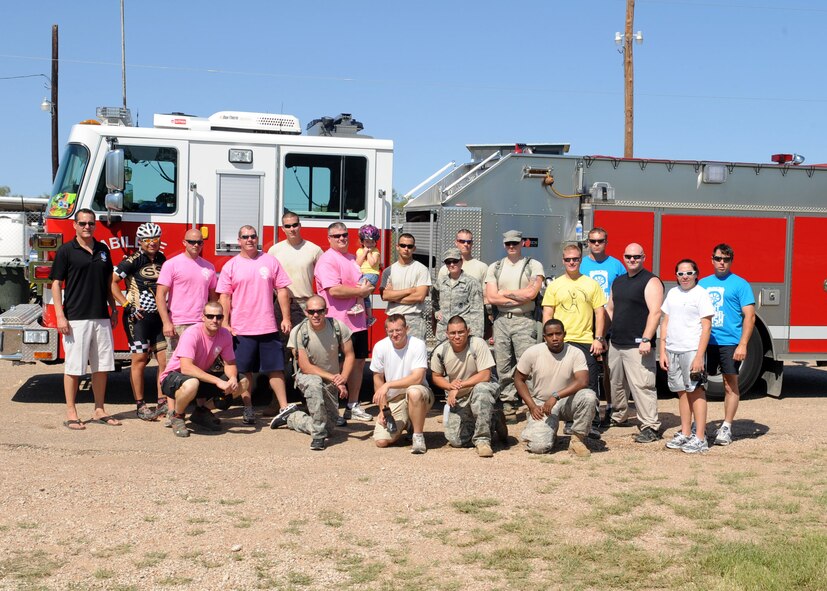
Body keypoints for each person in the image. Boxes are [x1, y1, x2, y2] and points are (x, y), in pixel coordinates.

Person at [217, 225, 296, 426]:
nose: (249, 240)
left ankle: (284, 407)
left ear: (257, 238)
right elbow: (225, 297)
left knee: (276, 369)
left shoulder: (270, 261)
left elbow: (283, 291)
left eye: (253, 236)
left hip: (268, 326)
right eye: (245, 237)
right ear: (239, 240)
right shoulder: (231, 266)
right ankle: (248, 408)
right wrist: (225, 323)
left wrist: (286, 318)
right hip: (242, 328)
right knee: (245, 372)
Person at [49, 208, 120, 430]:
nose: (86, 227)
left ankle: (99, 409)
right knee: (74, 367)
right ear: (75, 225)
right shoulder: (66, 251)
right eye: (82, 223)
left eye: (90, 223)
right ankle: (72, 412)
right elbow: (56, 283)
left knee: (101, 367)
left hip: (101, 317)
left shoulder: (103, 250)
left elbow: (109, 281)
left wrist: (114, 308)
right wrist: (60, 316)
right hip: (76, 318)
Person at [156, 228, 220, 429]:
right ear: (184, 242)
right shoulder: (171, 264)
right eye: (192, 242)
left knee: (202, 366)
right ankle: (172, 412)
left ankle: (200, 410)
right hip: (178, 324)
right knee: (174, 368)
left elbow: (213, 298)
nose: (195, 245)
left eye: (199, 242)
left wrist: (212, 322)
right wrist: (167, 322)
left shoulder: (208, 268)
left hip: (201, 324)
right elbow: (160, 295)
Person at [159, 302, 249, 438]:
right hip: (174, 377)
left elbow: (230, 363)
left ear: (223, 318)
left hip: (197, 377)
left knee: (243, 382)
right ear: (203, 317)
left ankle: (202, 412)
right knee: (192, 383)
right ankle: (177, 416)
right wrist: (218, 381)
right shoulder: (192, 333)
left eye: (218, 317)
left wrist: (232, 379)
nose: (215, 320)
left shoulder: (225, 334)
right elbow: (186, 367)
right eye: (210, 316)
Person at [314, 222, 374, 423]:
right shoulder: (327, 261)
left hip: (358, 322)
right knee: (336, 368)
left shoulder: (352, 259)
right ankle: (333, 410)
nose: (341, 238)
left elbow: (362, 280)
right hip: (336, 323)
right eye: (337, 236)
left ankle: (352, 405)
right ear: (329, 238)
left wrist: (364, 286)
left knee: (358, 364)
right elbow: (334, 290)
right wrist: (361, 291)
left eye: (344, 235)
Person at [699, 243, 756, 446]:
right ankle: (700, 427)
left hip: (730, 342)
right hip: (706, 342)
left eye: (726, 259)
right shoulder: (702, 284)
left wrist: (743, 344)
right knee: (699, 386)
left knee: (729, 385)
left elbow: (749, 316)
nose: (721, 262)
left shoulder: (740, 284)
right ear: (711, 260)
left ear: (731, 261)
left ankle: (726, 427)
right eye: (718, 258)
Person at [606, 243, 664, 443]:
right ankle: (619, 416)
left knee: (642, 385)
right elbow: (610, 309)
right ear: (623, 257)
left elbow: (655, 312)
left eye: (636, 257)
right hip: (616, 342)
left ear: (644, 257)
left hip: (638, 344)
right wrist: (604, 335)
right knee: (617, 384)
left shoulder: (651, 281)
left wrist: (647, 338)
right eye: (629, 256)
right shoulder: (618, 281)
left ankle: (650, 426)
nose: (632, 260)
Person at [514, 319, 597, 457]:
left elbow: (583, 381)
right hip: (541, 403)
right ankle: (547, 432)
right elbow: (518, 379)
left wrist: (556, 396)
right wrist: (532, 406)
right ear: (544, 337)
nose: (555, 338)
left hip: (567, 402)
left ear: (564, 334)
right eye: (550, 335)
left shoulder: (575, 353)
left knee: (589, 396)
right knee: (539, 447)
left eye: (558, 334)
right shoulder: (533, 352)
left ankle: (577, 440)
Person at [281, 295, 355, 450]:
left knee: (329, 427)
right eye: (311, 311)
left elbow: (349, 355)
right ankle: (318, 438)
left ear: (326, 311)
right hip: (307, 376)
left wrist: (343, 379)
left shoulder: (338, 327)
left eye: (319, 311)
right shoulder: (298, 332)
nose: (315, 315)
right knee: (315, 384)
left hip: (331, 379)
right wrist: (335, 379)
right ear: (306, 312)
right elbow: (306, 367)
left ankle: (292, 417)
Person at [484, 230, 544, 418]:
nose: (512, 247)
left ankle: (532, 404)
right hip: (501, 321)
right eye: (508, 243)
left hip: (525, 321)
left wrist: (506, 293)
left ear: (522, 243)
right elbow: (491, 296)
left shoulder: (533, 266)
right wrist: (518, 296)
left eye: (515, 243)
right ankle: (508, 402)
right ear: (504, 245)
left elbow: (531, 294)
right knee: (503, 364)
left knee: (528, 363)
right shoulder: (495, 267)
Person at [111, 222, 168, 421]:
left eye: (155, 239)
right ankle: (140, 405)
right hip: (139, 318)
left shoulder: (162, 258)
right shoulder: (132, 260)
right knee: (140, 360)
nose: (152, 243)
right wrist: (127, 305)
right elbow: (112, 283)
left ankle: (162, 403)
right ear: (140, 242)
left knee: (164, 361)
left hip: (159, 317)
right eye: (147, 240)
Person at [660, 259, 715, 454]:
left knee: (696, 391)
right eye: (681, 274)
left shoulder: (701, 294)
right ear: (676, 276)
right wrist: (662, 350)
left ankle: (700, 437)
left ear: (696, 274)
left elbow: (706, 327)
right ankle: (685, 432)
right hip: (673, 349)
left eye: (689, 273)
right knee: (681, 392)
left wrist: (699, 356)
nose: (685, 277)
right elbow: (665, 321)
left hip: (692, 350)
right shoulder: (672, 293)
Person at [430, 316, 504, 457]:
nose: (457, 336)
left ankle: (483, 440)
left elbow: (485, 375)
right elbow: (436, 376)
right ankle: (494, 419)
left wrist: (457, 387)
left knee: (481, 391)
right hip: (460, 395)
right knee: (456, 440)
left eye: (461, 332)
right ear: (447, 334)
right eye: (453, 333)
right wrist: (450, 387)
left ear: (468, 331)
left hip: (483, 386)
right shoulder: (441, 351)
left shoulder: (477, 344)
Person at [580, 227, 626, 422]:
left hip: (611, 325)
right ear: (588, 243)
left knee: (610, 369)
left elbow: (624, 293)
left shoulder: (617, 266)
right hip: (585, 323)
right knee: (586, 368)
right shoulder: (580, 265)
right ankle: (589, 408)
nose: (596, 244)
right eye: (592, 241)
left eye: (600, 241)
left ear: (606, 243)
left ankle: (611, 407)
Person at [370, 314, 434, 453]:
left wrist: (388, 385)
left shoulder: (417, 344)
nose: (395, 334)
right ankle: (407, 422)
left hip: (419, 393)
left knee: (414, 392)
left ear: (407, 329)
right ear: (386, 331)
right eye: (391, 331)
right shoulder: (380, 347)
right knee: (381, 441)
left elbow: (417, 378)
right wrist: (384, 410)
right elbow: (378, 378)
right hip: (395, 398)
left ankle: (417, 437)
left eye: (398, 330)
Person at [267, 211, 323, 329]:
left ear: (300, 225)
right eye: (287, 226)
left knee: (305, 344)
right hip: (281, 304)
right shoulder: (274, 251)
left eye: (295, 225)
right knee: (283, 344)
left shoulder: (314, 250)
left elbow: (323, 278)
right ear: (283, 228)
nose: (292, 229)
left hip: (305, 304)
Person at [380, 233, 431, 341]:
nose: (406, 249)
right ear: (397, 247)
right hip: (393, 320)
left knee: (415, 355)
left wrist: (393, 297)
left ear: (414, 248)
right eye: (403, 245)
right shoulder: (388, 271)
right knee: (394, 355)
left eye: (410, 246)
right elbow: (384, 295)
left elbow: (419, 297)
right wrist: (409, 290)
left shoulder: (421, 270)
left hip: (414, 319)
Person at [431, 247, 484, 341]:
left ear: (461, 262)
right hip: (443, 333)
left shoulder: (472, 283)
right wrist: (437, 312)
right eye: (448, 262)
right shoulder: (440, 282)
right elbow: (434, 299)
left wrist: (476, 338)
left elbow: (477, 312)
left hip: (462, 333)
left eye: (455, 261)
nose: (452, 264)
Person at [350, 223, 381, 326]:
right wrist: (363, 253)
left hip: (372, 274)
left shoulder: (376, 252)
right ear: (362, 242)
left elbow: (373, 263)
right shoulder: (359, 251)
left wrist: (368, 253)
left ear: (375, 243)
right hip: (363, 274)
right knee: (366, 297)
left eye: (372, 242)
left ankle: (358, 306)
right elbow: (357, 263)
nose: (369, 244)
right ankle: (370, 317)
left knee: (360, 289)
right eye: (367, 242)